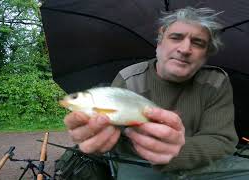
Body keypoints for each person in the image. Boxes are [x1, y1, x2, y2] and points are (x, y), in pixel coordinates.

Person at [64, 7, 238, 179]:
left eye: (198, 43)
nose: (185, 49)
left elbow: (222, 141)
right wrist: (97, 136)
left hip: (200, 166)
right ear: (160, 41)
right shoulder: (129, 78)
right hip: (140, 162)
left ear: (206, 55)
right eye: (176, 37)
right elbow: (115, 137)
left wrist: (179, 152)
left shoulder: (216, 81)